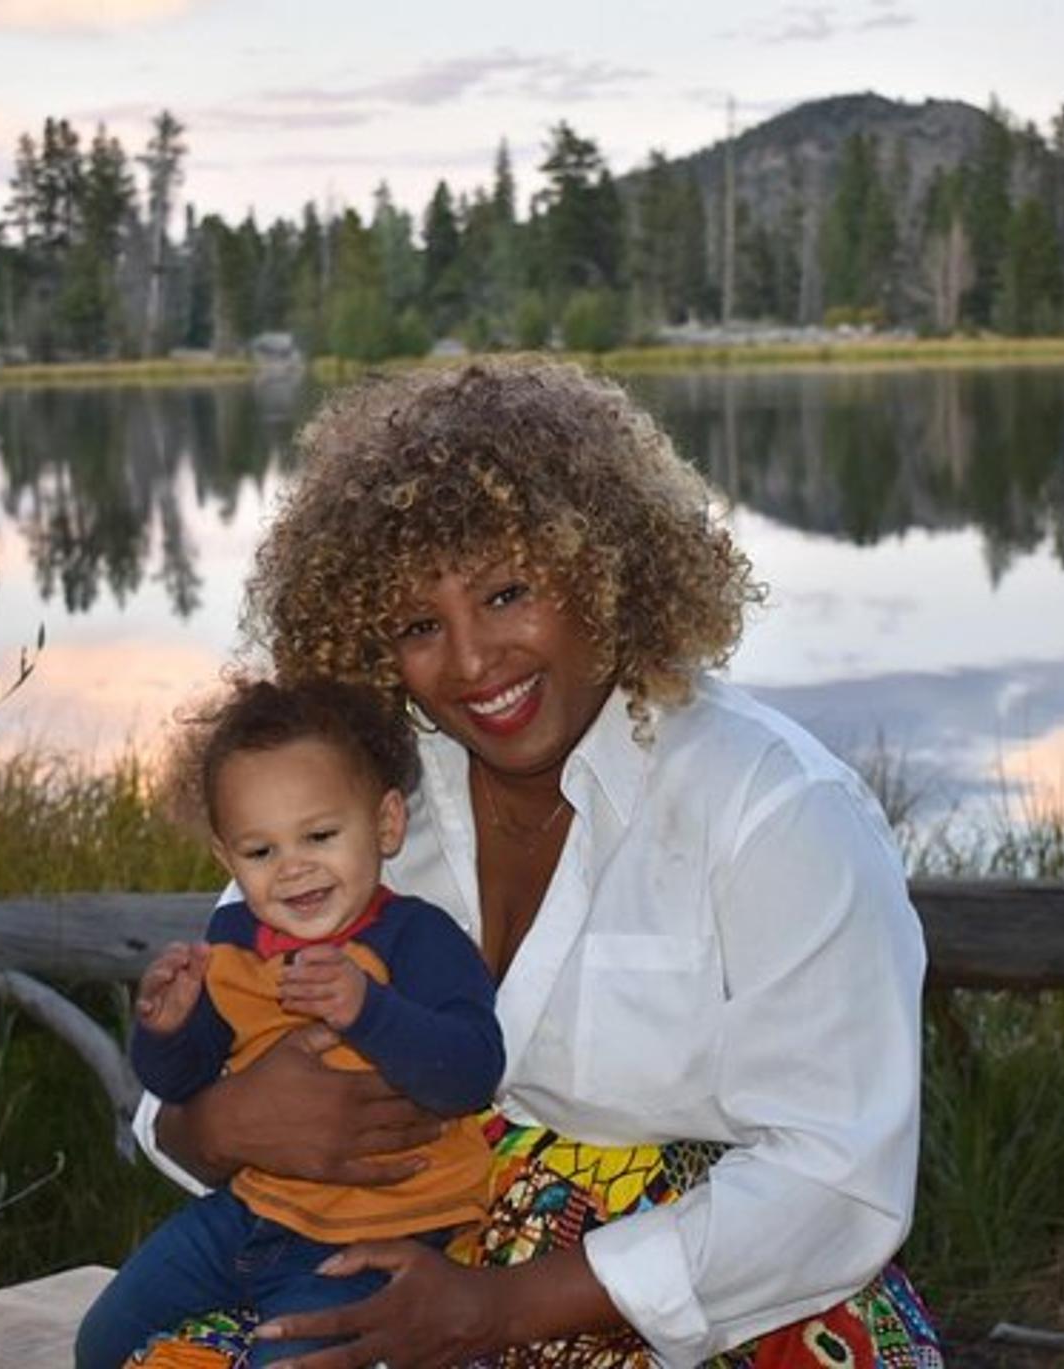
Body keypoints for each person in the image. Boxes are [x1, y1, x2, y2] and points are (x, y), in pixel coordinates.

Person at [111, 358, 941, 1368]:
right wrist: (220, 1125)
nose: (470, 661)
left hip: (732, 1314)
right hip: (412, 1276)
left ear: (605, 569)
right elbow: (201, 1049)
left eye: (508, 593)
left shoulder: (773, 809)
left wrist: (496, 1308)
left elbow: (838, 1179)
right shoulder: (364, 803)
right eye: (420, 624)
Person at [77, 678, 505, 1368]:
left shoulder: (418, 938)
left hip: (376, 1234)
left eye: (320, 835)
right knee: (102, 1340)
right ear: (227, 858)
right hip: (250, 1213)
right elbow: (182, 1080)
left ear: (386, 824)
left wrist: (369, 1010)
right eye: (261, 851)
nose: (293, 868)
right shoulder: (234, 940)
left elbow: (473, 1071)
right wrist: (165, 1029)